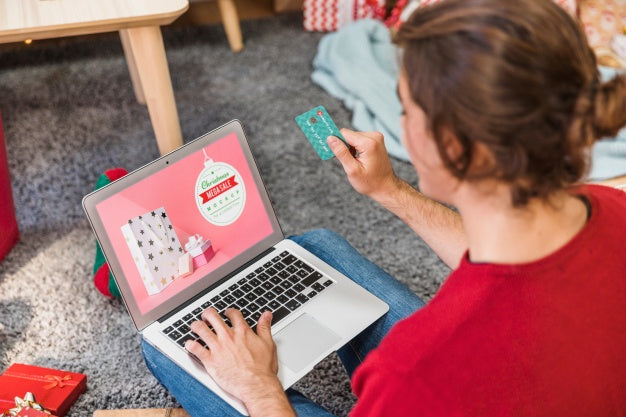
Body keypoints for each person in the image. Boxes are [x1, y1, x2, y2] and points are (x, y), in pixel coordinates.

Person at [142, 0, 626, 415]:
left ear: (452, 146)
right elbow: (516, 271)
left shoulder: (409, 375)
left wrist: (259, 387)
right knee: (314, 248)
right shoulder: (608, 206)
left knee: (171, 349)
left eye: (406, 108)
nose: (399, 121)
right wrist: (391, 191)